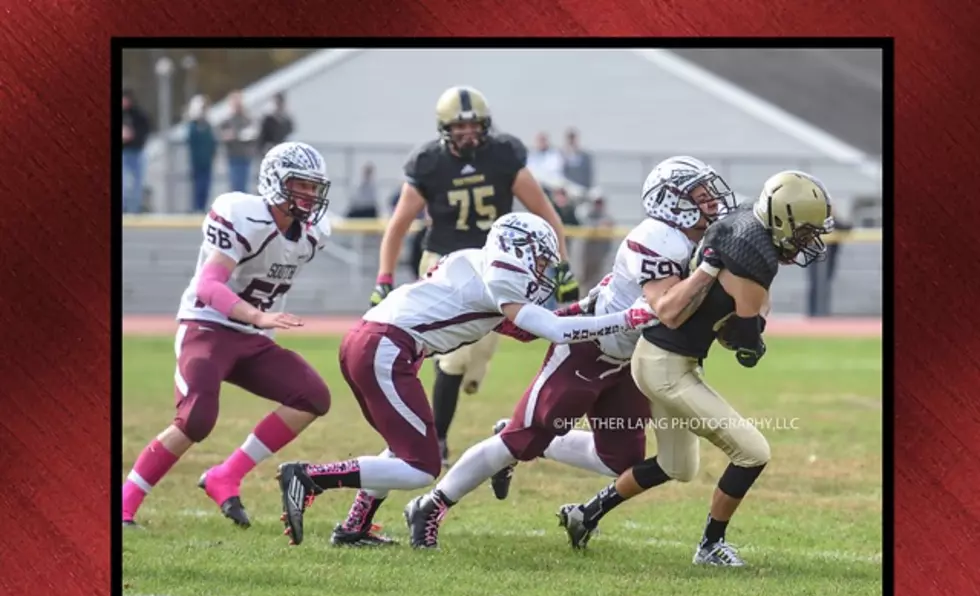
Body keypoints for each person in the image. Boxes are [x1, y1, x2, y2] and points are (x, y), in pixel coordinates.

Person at [405, 156, 739, 549]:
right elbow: (665, 307)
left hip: (631, 361)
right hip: (588, 347)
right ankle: (431, 505)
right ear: (672, 202)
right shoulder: (659, 237)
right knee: (518, 440)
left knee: (619, 460)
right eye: (701, 197)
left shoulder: (696, 239)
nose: (713, 204)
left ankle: (537, 443)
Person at [274, 212, 657, 548]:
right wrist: (626, 318)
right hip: (385, 348)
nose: (544, 269)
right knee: (421, 466)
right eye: (541, 258)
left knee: (403, 444)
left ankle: (355, 525)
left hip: (373, 343)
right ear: (519, 249)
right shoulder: (501, 279)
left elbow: (523, 329)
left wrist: (583, 308)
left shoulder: (476, 262)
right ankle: (310, 477)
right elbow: (554, 330)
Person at [557, 171, 835, 567]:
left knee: (677, 466)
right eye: (805, 232)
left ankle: (585, 514)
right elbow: (744, 345)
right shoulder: (754, 256)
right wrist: (753, 333)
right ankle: (710, 546)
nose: (809, 242)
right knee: (753, 452)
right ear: (781, 221)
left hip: (658, 357)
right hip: (666, 367)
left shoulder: (744, 224)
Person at [121, 142, 334, 530]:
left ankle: (226, 475)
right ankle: (123, 503)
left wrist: (257, 322)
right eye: (299, 186)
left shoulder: (313, 234)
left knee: (312, 396)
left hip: (252, 337)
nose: (309, 196)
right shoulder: (242, 215)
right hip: (207, 326)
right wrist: (257, 315)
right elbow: (208, 285)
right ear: (275, 182)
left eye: (314, 188)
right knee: (197, 417)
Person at [370, 86, 580, 470]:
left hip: (497, 263)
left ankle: (461, 370)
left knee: (478, 351)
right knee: (454, 357)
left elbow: (547, 213)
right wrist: (384, 276)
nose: (468, 133)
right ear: (444, 128)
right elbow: (399, 224)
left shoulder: (503, 155)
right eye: (459, 126)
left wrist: (562, 266)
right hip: (445, 259)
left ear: (485, 125)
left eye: (474, 125)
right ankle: (440, 439)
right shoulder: (429, 163)